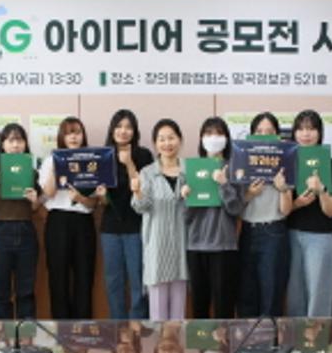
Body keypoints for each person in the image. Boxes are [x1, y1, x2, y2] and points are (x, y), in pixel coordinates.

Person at [181, 116, 243, 319]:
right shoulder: (190, 169)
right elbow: (185, 217)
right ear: (201, 139)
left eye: (219, 133)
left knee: (224, 307)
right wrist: (186, 197)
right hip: (196, 246)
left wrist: (224, 184)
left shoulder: (234, 169)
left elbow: (236, 209)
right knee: (199, 307)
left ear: (227, 138)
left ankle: (224, 342)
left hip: (224, 246)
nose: (214, 138)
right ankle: (201, 341)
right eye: (208, 133)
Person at [39, 116, 101, 319]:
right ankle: (61, 331)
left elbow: (94, 203)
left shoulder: (91, 162)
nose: (73, 137)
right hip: (58, 221)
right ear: (61, 137)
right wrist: (58, 165)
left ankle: (83, 331)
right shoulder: (50, 160)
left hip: (83, 223)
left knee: (84, 278)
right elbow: (48, 194)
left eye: (77, 132)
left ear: (83, 136)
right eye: (68, 133)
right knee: (58, 279)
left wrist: (80, 198)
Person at [285, 110, 332, 317]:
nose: (305, 134)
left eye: (311, 129)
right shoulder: (289, 164)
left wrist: (321, 191)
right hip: (292, 235)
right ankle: (295, 338)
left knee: (319, 298)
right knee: (295, 297)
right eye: (300, 129)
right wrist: (297, 203)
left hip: (322, 237)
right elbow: (282, 209)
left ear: (320, 133)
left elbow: (331, 211)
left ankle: (317, 338)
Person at [236, 112, 293, 317]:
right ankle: (247, 338)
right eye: (259, 131)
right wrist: (250, 193)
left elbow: (286, 210)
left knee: (271, 295)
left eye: (269, 131)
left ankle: (271, 338)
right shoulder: (241, 160)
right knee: (246, 294)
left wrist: (283, 188)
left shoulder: (286, 161)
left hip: (273, 233)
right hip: (247, 231)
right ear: (251, 135)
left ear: (277, 135)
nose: (264, 135)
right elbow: (235, 207)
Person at [0, 123, 41, 319]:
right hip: (0, 231)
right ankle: (3, 336)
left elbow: (35, 208)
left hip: (26, 231)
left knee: (26, 292)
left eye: (20, 140)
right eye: (11, 140)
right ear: (3, 144)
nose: (16, 145)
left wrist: (34, 200)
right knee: (1, 293)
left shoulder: (31, 169)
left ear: (25, 143)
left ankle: (26, 336)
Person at [99, 109, 153, 319]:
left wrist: (129, 163)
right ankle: (118, 326)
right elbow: (103, 201)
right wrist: (102, 196)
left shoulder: (144, 155)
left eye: (128, 127)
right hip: (110, 228)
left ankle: (138, 325)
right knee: (114, 281)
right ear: (112, 130)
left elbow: (144, 189)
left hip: (136, 226)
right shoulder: (103, 156)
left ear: (135, 131)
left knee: (138, 279)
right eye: (119, 126)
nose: (123, 131)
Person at [132, 119, 188, 321]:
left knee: (178, 317)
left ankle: (177, 344)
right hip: (156, 248)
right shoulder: (147, 173)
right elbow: (140, 207)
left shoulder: (189, 171)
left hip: (182, 247)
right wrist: (137, 191)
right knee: (157, 318)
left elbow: (200, 206)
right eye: (161, 139)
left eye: (171, 138)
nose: (167, 143)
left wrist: (189, 197)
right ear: (155, 144)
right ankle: (160, 344)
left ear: (180, 140)